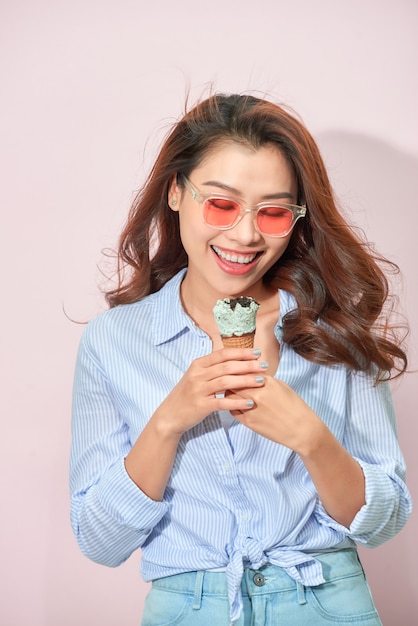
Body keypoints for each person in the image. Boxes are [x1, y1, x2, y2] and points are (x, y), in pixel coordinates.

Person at [70, 93, 412, 626]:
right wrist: (168, 422)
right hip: (187, 609)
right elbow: (99, 540)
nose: (246, 234)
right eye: (222, 204)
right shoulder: (115, 341)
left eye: (273, 211)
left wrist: (311, 438)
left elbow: (385, 520)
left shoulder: (332, 330)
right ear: (176, 193)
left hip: (325, 603)